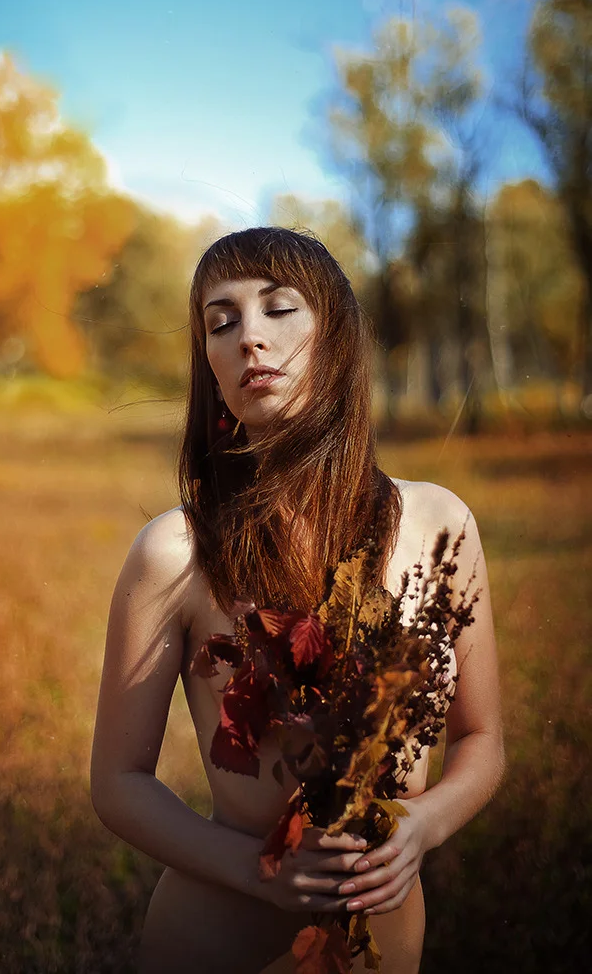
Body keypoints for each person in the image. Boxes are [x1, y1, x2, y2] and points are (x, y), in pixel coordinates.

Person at [90, 227, 505, 974]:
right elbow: (118, 784)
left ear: (336, 338)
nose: (249, 337)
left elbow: (482, 739)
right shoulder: (174, 552)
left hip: (383, 945)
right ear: (209, 366)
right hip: (214, 940)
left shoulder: (442, 525)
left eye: (279, 309)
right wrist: (260, 871)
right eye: (220, 322)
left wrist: (423, 826)